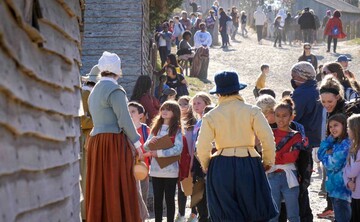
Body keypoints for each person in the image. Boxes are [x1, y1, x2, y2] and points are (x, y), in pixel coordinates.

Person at [196, 71, 277, 221]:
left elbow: (202, 146)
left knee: (226, 214)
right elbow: (267, 138)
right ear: (238, 89)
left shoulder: (211, 116)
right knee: (253, 212)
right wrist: (267, 162)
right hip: (249, 163)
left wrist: (206, 164)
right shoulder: (252, 111)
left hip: (220, 165)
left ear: (219, 92)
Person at [86, 51, 142, 222]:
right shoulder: (115, 90)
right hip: (113, 143)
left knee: (99, 183)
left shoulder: (94, 90)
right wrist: (138, 145)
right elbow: (124, 120)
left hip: (96, 142)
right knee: (116, 182)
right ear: (117, 69)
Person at [291, 61, 322, 221]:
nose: (293, 79)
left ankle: (303, 216)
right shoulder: (316, 90)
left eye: (295, 76)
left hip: (300, 142)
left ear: (302, 76)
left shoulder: (301, 93)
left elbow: (294, 117)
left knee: (298, 183)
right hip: (314, 140)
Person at [143, 101, 183, 222]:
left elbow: (178, 149)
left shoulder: (177, 130)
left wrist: (159, 153)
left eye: (168, 109)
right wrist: (150, 143)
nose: (164, 111)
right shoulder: (156, 128)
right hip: (155, 170)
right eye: (163, 109)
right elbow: (146, 147)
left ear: (175, 113)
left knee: (170, 199)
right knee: (157, 199)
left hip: (171, 170)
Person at [267, 97, 302, 222]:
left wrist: (274, 158)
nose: (280, 119)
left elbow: (293, 156)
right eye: (278, 115)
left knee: (293, 214)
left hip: (289, 176)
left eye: (284, 116)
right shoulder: (269, 133)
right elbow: (265, 153)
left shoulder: (296, 135)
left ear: (291, 117)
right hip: (271, 176)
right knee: (273, 214)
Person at [318, 113, 352, 222]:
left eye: (336, 125)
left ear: (344, 125)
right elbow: (319, 155)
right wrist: (329, 141)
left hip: (342, 191)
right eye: (330, 126)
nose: (333, 129)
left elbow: (331, 164)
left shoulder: (346, 144)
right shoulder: (335, 143)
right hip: (333, 189)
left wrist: (327, 155)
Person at [80, 64, 99, 220]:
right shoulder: (86, 94)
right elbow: (82, 121)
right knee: (87, 178)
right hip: (86, 141)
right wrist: (101, 121)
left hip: (95, 139)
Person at [189, 92, 213, 222]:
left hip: (207, 163)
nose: (196, 106)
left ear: (207, 104)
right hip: (197, 163)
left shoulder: (209, 122)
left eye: (199, 103)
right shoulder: (197, 122)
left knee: (208, 198)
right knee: (198, 197)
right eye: (194, 103)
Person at [175, 96, 197, 222]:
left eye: (184, 104)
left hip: (193, 160)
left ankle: (194, 213)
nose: (182, 107)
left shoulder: (194, 124)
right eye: (180, 104)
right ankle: (181, 213)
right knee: (181, 187)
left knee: (193, 187)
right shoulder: (176, 123)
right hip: (181, 160)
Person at [128, 102, 151, 209]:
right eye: (127, 112)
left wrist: (144, 154)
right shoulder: (123, 130)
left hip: (142, 171)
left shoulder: (146, 130)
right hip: (126, 171)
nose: (130, 114)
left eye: (133, 111)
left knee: (142, 202)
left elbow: (152, 149)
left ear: (141, 115)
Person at [343, 114, 360, 222]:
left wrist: (344, 169)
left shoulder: (358, 150)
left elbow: (351, 172)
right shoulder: (354, 147)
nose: (347, 130)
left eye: (349, 127)